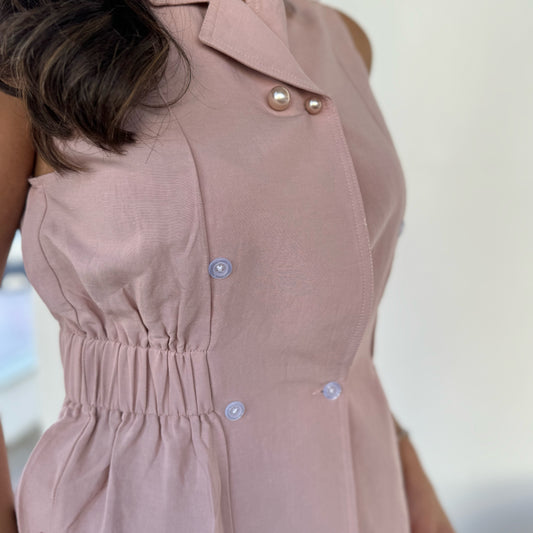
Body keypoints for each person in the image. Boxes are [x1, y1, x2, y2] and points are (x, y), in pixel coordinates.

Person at [0, 0, 456, 531]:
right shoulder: (30, 45)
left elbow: (325, 334)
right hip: (145, 502)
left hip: (364, 489)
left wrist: (408, 472)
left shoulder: (341, 39)